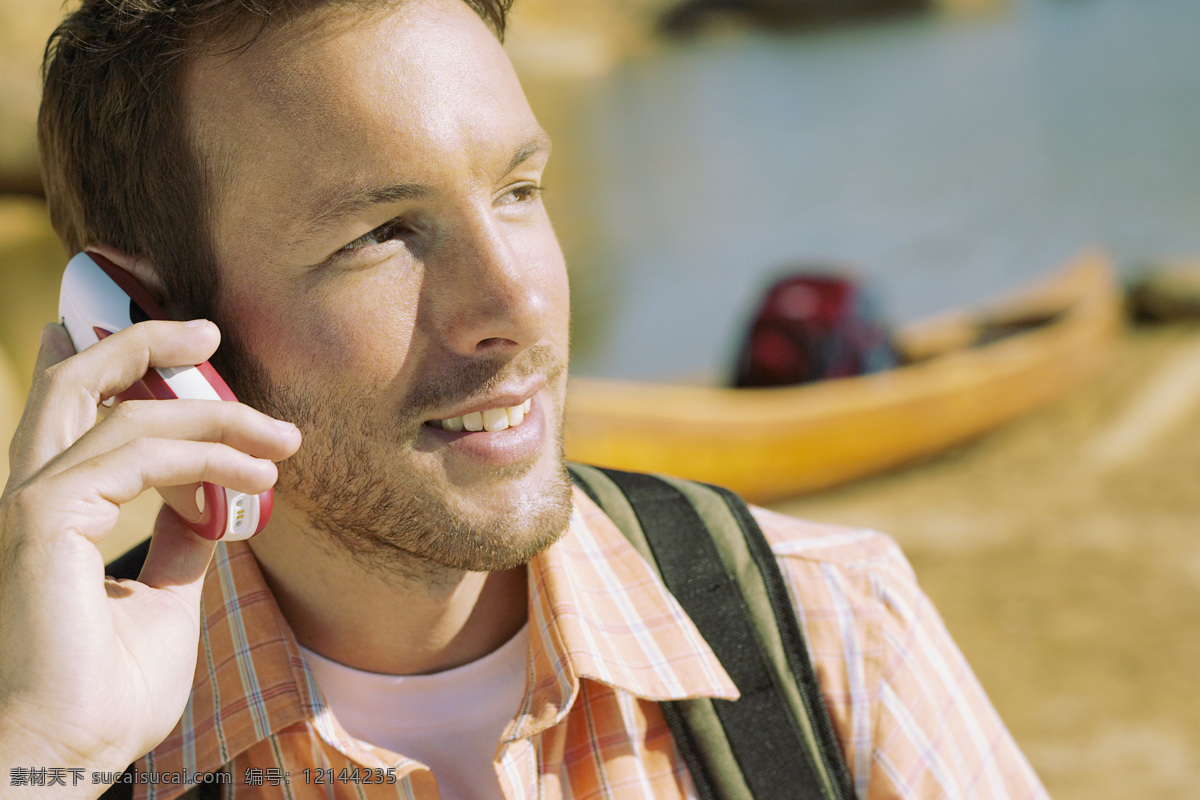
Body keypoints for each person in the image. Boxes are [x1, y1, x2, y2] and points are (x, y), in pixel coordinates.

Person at [0, 0, 1049, 798]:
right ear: (144, 324)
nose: (517, 300)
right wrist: (51, 754)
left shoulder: (837, 632)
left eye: (518, 190)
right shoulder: (70, 740)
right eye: (381, 233)